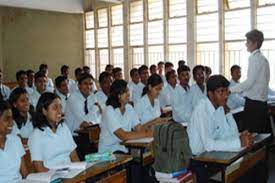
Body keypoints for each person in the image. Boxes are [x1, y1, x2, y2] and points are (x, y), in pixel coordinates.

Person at [188, 75, 254, 182]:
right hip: (198, 160)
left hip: (214, 155)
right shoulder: (201, 110)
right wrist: (239, 142)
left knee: (249, 168)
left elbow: (230, 134)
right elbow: (208, 145)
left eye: (226, 92)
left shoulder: (219, 107)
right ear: (210, 94)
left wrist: (241, 137)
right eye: (221, 92)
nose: (225, 96)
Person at [230, 29, 270, 133]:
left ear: (255, 43)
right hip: (261, 104)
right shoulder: (263, 59)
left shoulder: (254, 58)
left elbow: (249, 82)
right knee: (260, 134)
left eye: (248, 42)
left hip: (254, 104)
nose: (246, 44)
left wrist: (230, 90)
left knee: (251, 135)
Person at [28, 93, 79, 172]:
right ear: (44, 111)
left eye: (60, 107)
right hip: (52, 177)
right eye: (55, 108)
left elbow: (74, 157)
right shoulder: (36, 135)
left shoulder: (63, 127)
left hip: (70, 173)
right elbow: (39, 168)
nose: (60, 111)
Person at [98, 80, 152, 153]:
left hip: (124, 149)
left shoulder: (129, 108)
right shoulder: (109, 110)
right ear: (118, 95)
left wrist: (149, 132)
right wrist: (146, 134)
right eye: (125, 92)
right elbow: (123, 136)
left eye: (128, 91)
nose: (129, 94)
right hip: (109, 151)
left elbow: (139, 128)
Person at [0, 100, 28, 182]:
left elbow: (25, 173)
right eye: (6, 119)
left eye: (12, 118)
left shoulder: (15, 140)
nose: (11, 123)